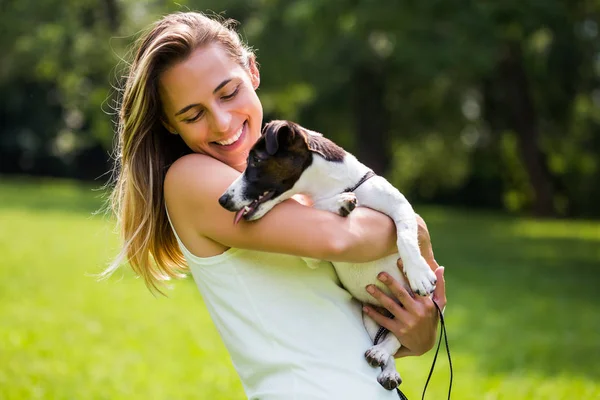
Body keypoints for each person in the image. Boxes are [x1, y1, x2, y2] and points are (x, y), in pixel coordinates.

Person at [104, 11, 447, 400]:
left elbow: (340, 321)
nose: (220, 122)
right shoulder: (190, 180)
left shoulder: (287, 189)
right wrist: (411, 227)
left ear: (253, 71)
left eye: (228, 93)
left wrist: (416, 334)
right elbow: (341, 240)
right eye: (193, 114)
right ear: (169, 123)